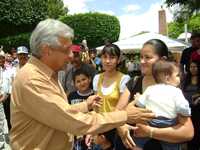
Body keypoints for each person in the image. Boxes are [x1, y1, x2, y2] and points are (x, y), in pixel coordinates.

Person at [10, 19, 155, 150]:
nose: (71, 55)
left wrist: (85, 105)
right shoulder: (32, 80)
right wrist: (125, 116)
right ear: (47, 50)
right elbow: (72, 121)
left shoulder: (46, 75)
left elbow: (57, 112)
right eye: (66, 50)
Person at [116, 39, 194, 150]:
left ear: (162, 60)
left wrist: (150, 132)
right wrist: (121, 126)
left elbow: (187, 132)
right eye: (141, 57)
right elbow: (116, 112)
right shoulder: (134, 82)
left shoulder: (173, 90)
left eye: (147, 57)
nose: (142, 61)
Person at [133, 60, 191, 150]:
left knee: (139, 141)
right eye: (177, 76)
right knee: (171, 144)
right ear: (167, 78)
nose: (180, 78)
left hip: (152, 121)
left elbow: (140, 103)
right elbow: (182, 106)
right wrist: (187, 113)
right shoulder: (176, 91)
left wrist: (137, 98)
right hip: (169, 123)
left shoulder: (150, 89)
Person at [92, 43, 131, 150]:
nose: (107, 61)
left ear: (118, 60)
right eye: (105, 57)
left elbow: (121, 108)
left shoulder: (124, 79)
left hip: (116, 129)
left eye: (112, 57)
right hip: (100, 128)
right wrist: (94, 130)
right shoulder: (97, 78)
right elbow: (96, 107)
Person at [68, 68, 95, 150]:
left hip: (90, 130)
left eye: (84, 79)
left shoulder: (94, 94)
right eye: (78, 81)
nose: (81, 83)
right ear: (74, 84)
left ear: (89, 79)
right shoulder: (71, 96)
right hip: (76, 131)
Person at [181, 60, 200, 150]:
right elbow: (182, 91)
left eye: (195, 67)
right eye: (191, 67)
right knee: (189, 128)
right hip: (187, 108)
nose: (193, 69)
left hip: (198, 108)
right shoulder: (186, 78)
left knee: (197, 128)